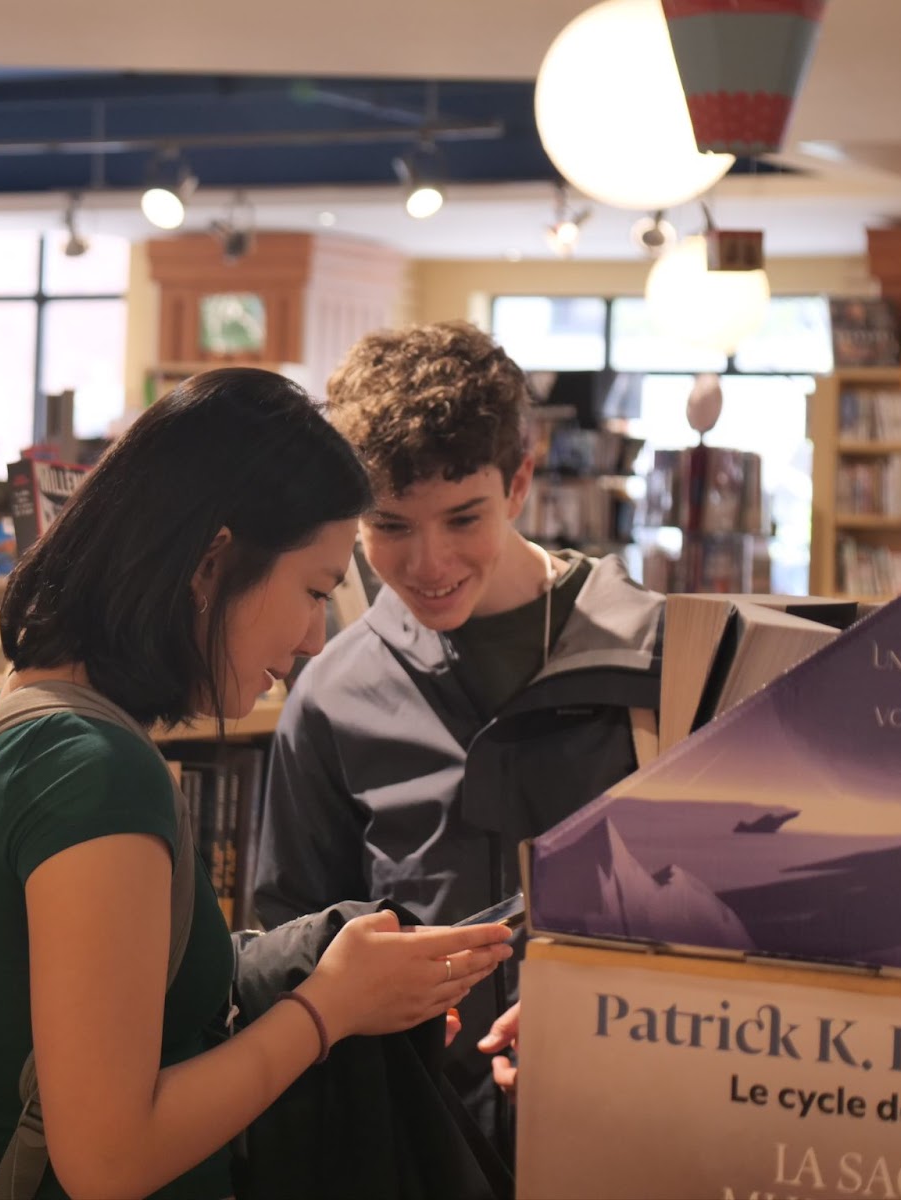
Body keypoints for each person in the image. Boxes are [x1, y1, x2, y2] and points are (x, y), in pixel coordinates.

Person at [0, 366, 515, 1200]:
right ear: (212, 565)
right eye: (313, 590)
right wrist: (329, 1010)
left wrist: (325, 973)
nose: (318, 637)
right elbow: (109, 1159)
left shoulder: (33, 716)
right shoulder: (97, 774)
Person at [252, 322, 664, 1137]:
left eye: (463, 518)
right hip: (414, 1139)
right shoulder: (332, 695)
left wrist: (603, 1006)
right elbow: (288, 943)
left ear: (520, 484)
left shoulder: (661, 662)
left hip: (629, 1123)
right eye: (392, 527)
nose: (429, 565)